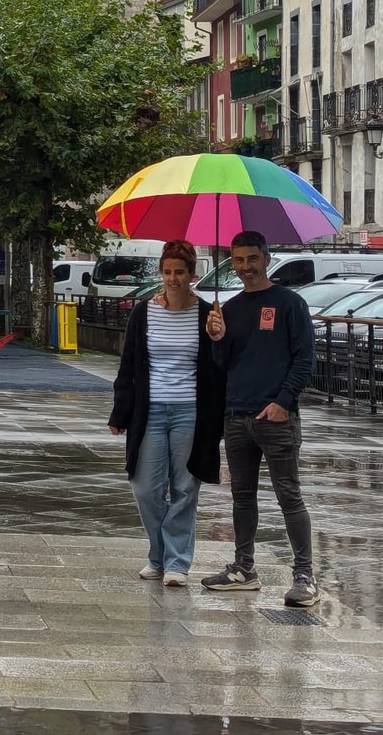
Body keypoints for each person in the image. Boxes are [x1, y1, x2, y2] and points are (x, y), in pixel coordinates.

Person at [202, 231, 320, 607]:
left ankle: (304, 575)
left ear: (266, 257)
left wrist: (284, 401)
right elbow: (221, 366)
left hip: (277, 418)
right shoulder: (230, 308)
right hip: (237, 416)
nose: (245, 267)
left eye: (252, 258)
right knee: (241, 496)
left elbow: (305, 358)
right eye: (238, 260)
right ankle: (243, 568)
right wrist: (216, 338)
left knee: (289, 495)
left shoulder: (289, 304)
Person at [108, 239, 225, 586]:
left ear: (192, 274)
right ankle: (157, 554)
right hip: (151, 411)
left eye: (180, 272)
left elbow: (218, 370)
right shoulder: (144, 312)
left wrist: (219, 339)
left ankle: (176, 563)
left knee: (186, 487)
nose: (173, 278)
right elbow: (128, 365)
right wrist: (120, 413)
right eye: (168, 272)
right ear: (161, 273)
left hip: (190, 410)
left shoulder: (207, 314)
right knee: (145, 487)